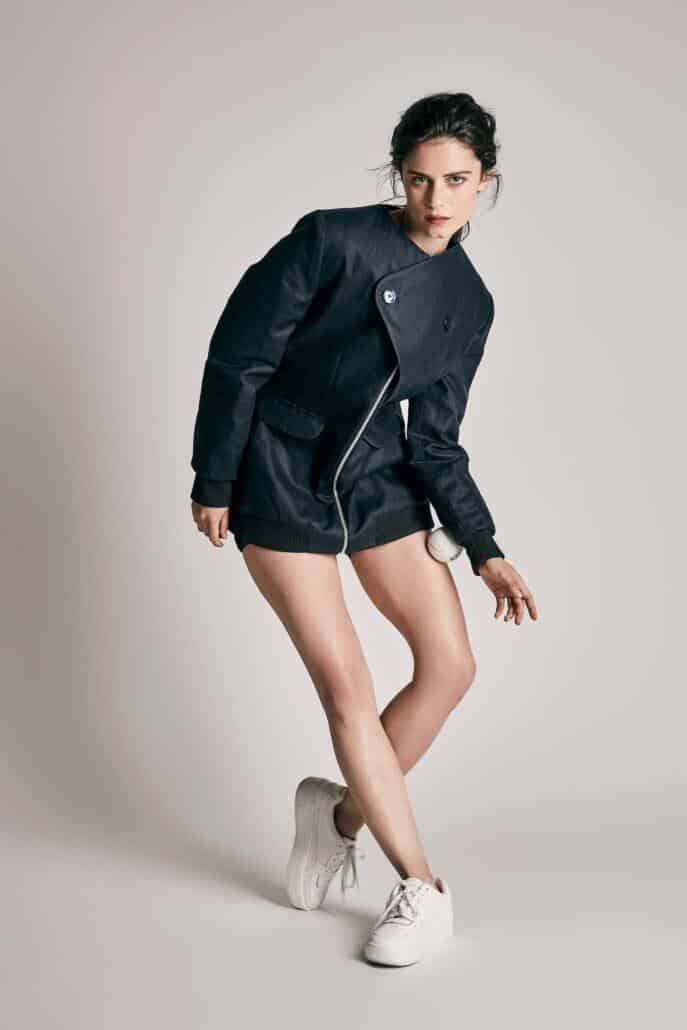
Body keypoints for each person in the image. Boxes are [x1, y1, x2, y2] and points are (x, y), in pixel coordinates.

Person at [189, 92, 538, 967]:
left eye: (455, 180)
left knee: (450, 665)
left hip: (378, 476)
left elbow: (438, 441)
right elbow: (240, 356)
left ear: (485, 181)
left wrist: (486, 548)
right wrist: (216, 476)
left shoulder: (468, 300)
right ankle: (422, 886)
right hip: (280, 471)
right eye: (418, 179)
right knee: (346, 688)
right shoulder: (330, 239)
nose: (435, 199)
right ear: (398, 176)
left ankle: (336, 816)